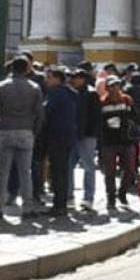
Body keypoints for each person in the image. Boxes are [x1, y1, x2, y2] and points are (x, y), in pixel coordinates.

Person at [0, 56, 44, 219]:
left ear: (11, 68)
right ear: (27, 69)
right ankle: (28, 207)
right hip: (26, 130)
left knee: (3, 171)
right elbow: (40, 114)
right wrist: (33, 131)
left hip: (5, 130)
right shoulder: (34, 87)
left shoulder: (1, 86)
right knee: (25, 172)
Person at [42, 68, 79, 217]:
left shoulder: (56, 94)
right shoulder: (72, 93)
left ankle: (59, 205)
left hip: (57, 136)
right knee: (62, 171)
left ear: (58, 79)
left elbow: (47, 112)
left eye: (49, 77)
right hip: (69, 135)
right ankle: (61, 203)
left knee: (57, 172)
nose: (47, 80)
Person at [99, 76, 139, 212]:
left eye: (117, 85)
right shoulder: (103, 102)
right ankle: (111, 197)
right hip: (109, 142)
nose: (115, 88)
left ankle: (122, 193)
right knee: (109, 172)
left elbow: (135, 116)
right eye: (111, 86)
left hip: (126, 140)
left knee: (130, 169)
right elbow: (98, 121)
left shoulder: (127, 100)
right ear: (107, 88)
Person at [70, 68, 102, 212]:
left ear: (83, 79)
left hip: (87, 136)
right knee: (68, 166)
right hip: (73, 135)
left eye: (76, 77)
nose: (74, 80)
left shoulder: (91, 93)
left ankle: (88, 198)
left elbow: (96, 116)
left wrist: (92, 133)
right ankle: (69, 196)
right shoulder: (72, 93)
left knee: (88, 167)